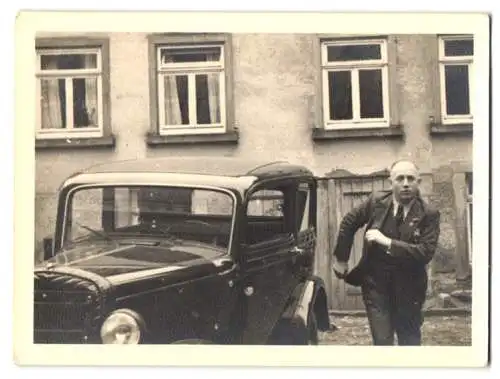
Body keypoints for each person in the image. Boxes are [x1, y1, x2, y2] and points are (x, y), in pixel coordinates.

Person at [331, 159, 441, 345]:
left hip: (410, 288)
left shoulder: (429, 214)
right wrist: (341, 259)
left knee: (409, 340)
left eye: (410, 178)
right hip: (376, 285)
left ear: (418, 182)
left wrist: (387, 242)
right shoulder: (377, 202)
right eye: (400, 178)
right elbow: (349, 222)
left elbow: (425, 252)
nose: (405, 183)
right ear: (391, 182)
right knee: (382, 341)